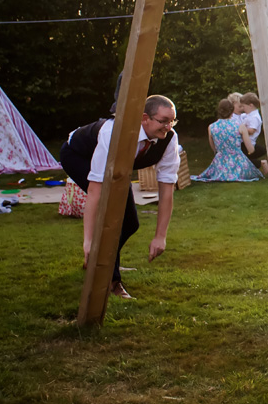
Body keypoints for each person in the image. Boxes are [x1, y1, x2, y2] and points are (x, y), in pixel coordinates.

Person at [60, 94, 181, 300]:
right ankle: (111, 281)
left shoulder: (169, 138)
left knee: (130, 223)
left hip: (116, 165)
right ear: (145, 118)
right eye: (163, 121)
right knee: (118, 219)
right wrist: (88, 241)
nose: (168, 127)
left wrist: (160, 236)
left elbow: (167, 189)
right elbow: (95, 190)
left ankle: (103, 261)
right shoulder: (114, 133)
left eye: (172, 121)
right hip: (79, 156)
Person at [192, 98, 264, 183]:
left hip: (219, 165)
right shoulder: (240, 126)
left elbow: (214, 149)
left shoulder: (211, 127)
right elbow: (251, 150)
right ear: (232, 110)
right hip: (238, 165)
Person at [238, 92, 268, 177]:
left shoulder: (255, 117)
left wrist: (241, 130)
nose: (243, 108)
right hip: (243, 141)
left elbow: (252, 130)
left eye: (244, 106)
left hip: (248, 142)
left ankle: (261, 163)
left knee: (242, 159)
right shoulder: (248, 115)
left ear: (250, 105)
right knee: (244, 159)